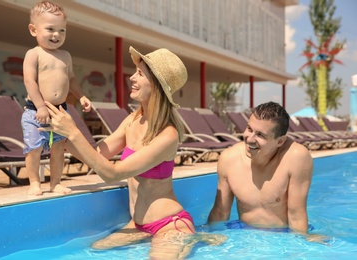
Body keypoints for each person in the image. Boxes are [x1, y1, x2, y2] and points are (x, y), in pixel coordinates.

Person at [42, 46, 225, 258]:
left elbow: (113, 173)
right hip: (137, 224)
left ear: (156, 85)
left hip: (169, 224)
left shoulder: (168, 135)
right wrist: (60, 136)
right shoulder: (132, 120)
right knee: (95, 250)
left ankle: (189, 235)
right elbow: (97, 156)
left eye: (140, 73)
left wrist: (73, 133)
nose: (131, 78)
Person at [208, 102, 328, 243]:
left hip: (282, 235)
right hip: (243, 232)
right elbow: (220, 212)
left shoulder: (296, 157)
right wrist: (210, 240)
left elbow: (296, 214)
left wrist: (299, 248)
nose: (250, 139)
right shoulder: (229, 159)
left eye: (260, 135)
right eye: (249, 129)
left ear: (280, 141)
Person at [22, 1, 92, 196]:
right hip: (36, 111)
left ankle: (55, 183)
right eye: (50, 29)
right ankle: (35, 182)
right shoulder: (34, 54)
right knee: (34, 149)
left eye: (62, 30)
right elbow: (29, 82)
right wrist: (40, 107)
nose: (57, 35)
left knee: (58, 149)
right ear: (33, 30)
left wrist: (82, 95)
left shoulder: (65, 56)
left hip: (60, 111)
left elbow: (71, 79)